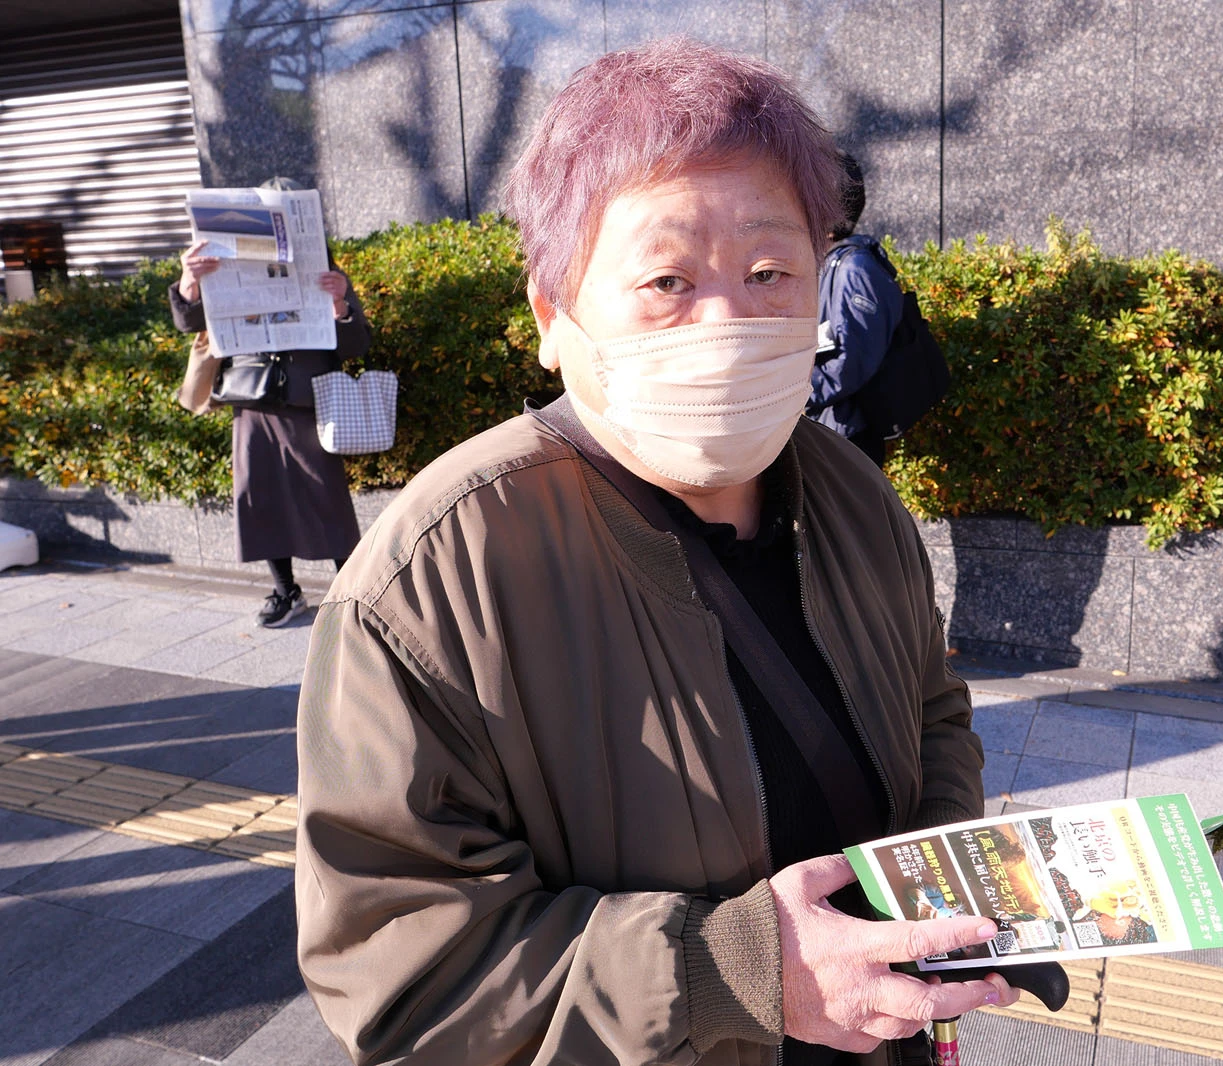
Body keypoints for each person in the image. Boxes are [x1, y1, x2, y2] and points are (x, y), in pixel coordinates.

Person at [294, 38, 1017, 1066]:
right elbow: (403, 981)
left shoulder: (852, 493)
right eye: (668, 279)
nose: (728, 319)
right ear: (553, 314)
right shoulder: (434, 579)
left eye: (770, 272)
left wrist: (935, 886)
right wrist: (731, 971)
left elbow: (932, 711)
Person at [169, 178, 368, 627]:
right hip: (251, 396)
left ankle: (352, 592)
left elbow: (357, 344)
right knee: (258, 496)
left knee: (327, 498)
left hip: (307, 399)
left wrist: (340, 304)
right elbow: (189, 321)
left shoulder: (326, 269)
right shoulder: (222, 262)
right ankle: (285, 590)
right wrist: (189, 281)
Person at [806, 153, 905, 465]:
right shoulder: (827, 263)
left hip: (847, 437)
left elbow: (852, 363)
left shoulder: (855, 269)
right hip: (826, 427)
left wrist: (795, 392)